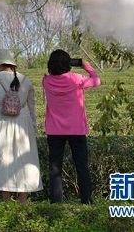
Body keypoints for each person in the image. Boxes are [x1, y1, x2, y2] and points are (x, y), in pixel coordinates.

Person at [0, 49, 42, 206]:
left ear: (0, 64)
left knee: (2, 159)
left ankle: (6, 200)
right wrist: (33, 126)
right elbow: (31, 106)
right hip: (23, 126)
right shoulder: (26, 80)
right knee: (24, 160)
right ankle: (23, 198)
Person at [42, 49, 101, 204]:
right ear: (68, 64)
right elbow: (96, 81)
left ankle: (56, 202)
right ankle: (86, 200)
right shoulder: (77, 79)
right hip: (76, 129)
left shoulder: (46, 81)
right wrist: (86, 66)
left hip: (54, 130)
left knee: (55, 167)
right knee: (81, 165)